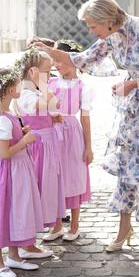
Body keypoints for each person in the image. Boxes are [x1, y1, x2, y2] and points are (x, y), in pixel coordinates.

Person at [36, 0, 139, 254]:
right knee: (127, 166)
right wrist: (50, 52)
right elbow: (85, 59)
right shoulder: (112, 36)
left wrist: (134, 83)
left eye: (93, 26)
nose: (91, 31)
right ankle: (124, 227)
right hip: (136, 109)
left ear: (109, 21)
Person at [0, 68, 44, 277]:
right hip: (9, 172)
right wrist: (25, 141)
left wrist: (22, 134)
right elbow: (4, 154)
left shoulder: (9, 113)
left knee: (17, 211)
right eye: (17, 84)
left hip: (19, 169)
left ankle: (14, 256)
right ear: (9, 90)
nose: (21, 86)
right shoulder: (1, 119)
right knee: (3, 211)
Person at [14, 48, 66, 252]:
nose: (50, 76)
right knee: (36, 189)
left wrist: (52, 117)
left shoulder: (34, 92)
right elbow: (53, 102)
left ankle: (55, 224)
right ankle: (29, 240)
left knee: (50, 186)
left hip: (48, 145)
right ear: (34, 71)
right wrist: (43, 85)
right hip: (37, 148)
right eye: (47, 72)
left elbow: (51, 107)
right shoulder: (25, 94)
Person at [45, 39, 93, 241]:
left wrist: (88, 147)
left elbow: (85, 117)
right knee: (55, 177)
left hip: (72, 135)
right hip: (52, 134)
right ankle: (56, 226)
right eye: (54, 61)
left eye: (60, 60)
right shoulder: (49, 83)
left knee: (73, 176)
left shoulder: (83, 87)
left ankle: (74, 226)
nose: (56, 65)